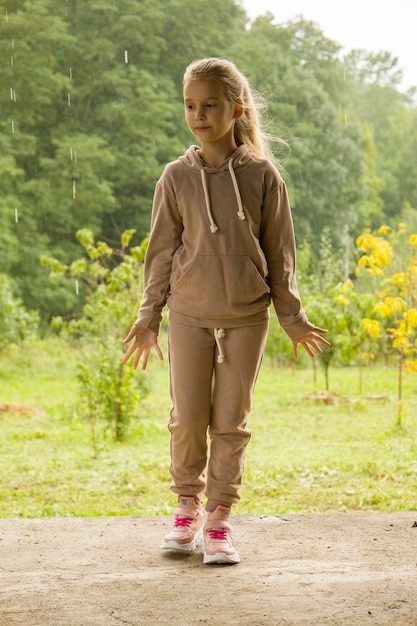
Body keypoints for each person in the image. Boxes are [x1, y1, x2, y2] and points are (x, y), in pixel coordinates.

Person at [123, 57, 330, 565]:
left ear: (237, 108)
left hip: (246, 315)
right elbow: (162, 252)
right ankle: (186, 506)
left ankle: (219, 519)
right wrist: (149, 317)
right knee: (188, 419)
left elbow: (280, 253)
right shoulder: (175, 177)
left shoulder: (263, 175)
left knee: (230, 422)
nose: (199, 115)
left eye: (210, 105)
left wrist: (292, 316)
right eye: (191, 105)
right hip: (189, 313)